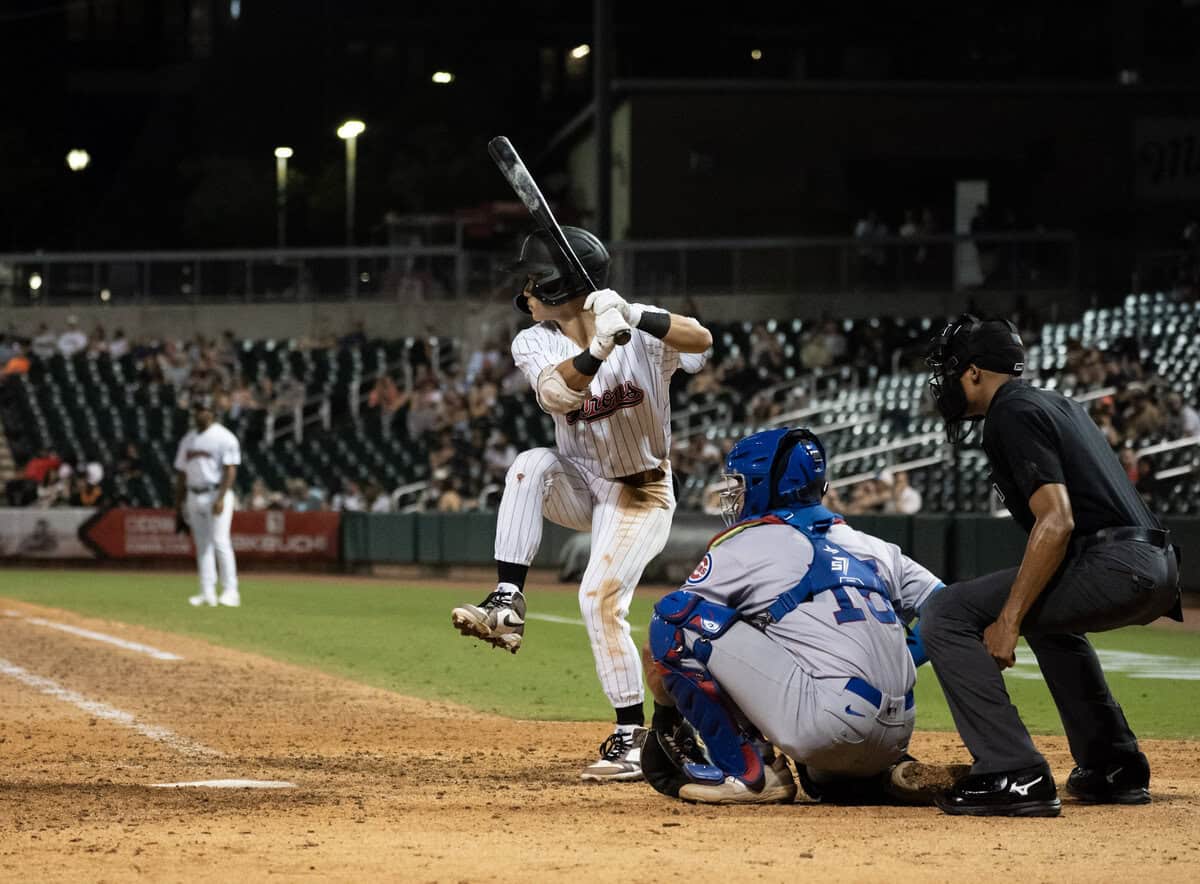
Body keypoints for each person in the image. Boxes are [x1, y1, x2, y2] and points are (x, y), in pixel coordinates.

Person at [450, 225, 712, 782]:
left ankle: (631, 736)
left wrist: (637, 318)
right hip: (581, 481)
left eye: (531, 281)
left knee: (597, 597)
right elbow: (555, 394)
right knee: (529, 464)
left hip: (640, 490)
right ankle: (506, 602)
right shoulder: (534, 339)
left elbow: (701, 341)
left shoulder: (632, 320)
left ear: (553, 284)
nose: (523, 292)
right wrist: (597, 348)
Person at [922, 315, 1182, 817]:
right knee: (1046, 615)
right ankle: (1112, 766)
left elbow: (1057, 522)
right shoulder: (1054, 403)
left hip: (1117, 560)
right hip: (1154, 561)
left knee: (947, 612)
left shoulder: (1009, 412)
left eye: (949, 372)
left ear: (973, 373)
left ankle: (1011, 771)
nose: (945, 384)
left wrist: (1007, 621)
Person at [639, 428, 949, 805]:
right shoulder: (877, 547)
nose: (734, 494)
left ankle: (749, 773)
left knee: (674, 621)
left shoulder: (746, 543)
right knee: (790, 633)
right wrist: (905, 657)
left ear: (763, 486)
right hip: (896, 733)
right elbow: (946, 607)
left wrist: (666, 712)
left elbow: (669, 636)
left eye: (740, 484)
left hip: (826, 725)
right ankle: (864, 775)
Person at [173, 396, 242, 608]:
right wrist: (179, 505)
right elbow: (182, 473)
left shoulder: (224, 437)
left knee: (221, 542)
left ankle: (231, 591)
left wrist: (221, 497)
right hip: (194, 494)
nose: (199, 413)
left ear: (213, 412)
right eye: (196, 409)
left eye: (203, 409)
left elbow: (231, 470)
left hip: (215, 493)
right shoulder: (188, 439)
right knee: (202, 545)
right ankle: (207, 592)